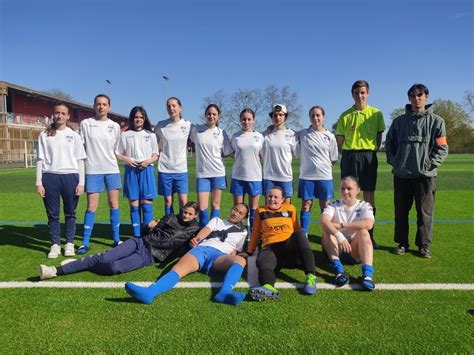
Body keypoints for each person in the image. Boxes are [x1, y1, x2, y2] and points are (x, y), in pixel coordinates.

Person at [124, 203, 249, 305]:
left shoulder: (243, 233)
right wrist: (197, 240)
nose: (235, 213)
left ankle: (225, 293)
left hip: (219, 257)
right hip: (201, 250)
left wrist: (235, 256)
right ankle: (149, 293)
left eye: (240, 213)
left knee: (240, 260)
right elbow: (206, 230)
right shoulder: (217, 220)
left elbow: (235, 250)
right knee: (177, 269)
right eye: (235, 209)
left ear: (243, 218)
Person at [38, 202, 201, 279]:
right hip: (140, 243)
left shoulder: (194, 230)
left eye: (190, 214)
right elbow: (145, 232)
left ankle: (84, 264)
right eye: (185, 212)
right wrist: (150, 226)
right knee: (103, 257)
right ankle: (54, 271)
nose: (186, 216)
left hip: (150, 256)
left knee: (114, 267)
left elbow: (181, 249)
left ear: (196, 216)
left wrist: (190, 246)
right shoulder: (171, 216)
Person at [385, 84, 448, 258]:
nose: (416, 98)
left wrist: (430, 165)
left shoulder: (437, 121)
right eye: (412, 95)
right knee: (401, 212)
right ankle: (402, 243)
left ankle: (423, 246)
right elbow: (389, 144)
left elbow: (442, 148)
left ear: (426, 96)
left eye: (420, 95)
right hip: (402, 175)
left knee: (425, 213)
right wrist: (395, 162)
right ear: (409, 98)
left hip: (425, 177)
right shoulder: (399, 122)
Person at [245, 186, 318, 300]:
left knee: (299, 234)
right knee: (263, 258)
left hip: (289, 248)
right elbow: (255, 233)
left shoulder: (290, 209)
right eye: (269, 196)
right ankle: (268, 287)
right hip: (271, 248)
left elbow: (296, 228)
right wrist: (249, 251)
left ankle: (311, 278)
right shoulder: (261, 211)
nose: (272, 199)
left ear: (282, 199)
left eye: (275, 197)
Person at [335, 80, 385, 248]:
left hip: (368, 156)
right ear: (352, 94)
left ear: (368, 93)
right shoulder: (345, 115)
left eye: (363, 92)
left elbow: (379, 138)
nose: (360, 96)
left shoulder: (376, 114)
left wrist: (369, 151)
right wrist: (349, 154)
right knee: (348, 194)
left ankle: (369, 236)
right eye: (357, 93)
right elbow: (340, 140)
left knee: (369, 195)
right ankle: (347, 235)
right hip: (349, 156)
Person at [36, 103, 87, 258]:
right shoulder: (44, 135)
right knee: (53, 214)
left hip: (71, 177)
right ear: (53, 114)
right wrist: (39, 182)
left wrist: (81, 183)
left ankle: (69, 244)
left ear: (68, 116)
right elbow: (40, 160)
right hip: (49, 177)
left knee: (70, 213)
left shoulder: (75, 136)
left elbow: (80, 161)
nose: (60, 116)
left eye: (63, 113)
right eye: (57, 113)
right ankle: (55, 245)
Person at [78, 94, 122, 254]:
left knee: (114, 204)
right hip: (93, 171)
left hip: (111, 170)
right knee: (91, 206)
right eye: (98, 104)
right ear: (94, 106)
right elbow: (80, 147)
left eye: (104, 104)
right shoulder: (86, 124)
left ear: (109, 107)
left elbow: (117, 149)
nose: (101, 107)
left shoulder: (115, 126)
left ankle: (116, 239)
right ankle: (85, 242)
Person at [320, 176, 375, 291]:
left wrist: (341, 225)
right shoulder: (333, 205)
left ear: (358, 190)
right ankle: (339, 272)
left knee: (364, 232)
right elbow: (324, 221)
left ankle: (367, 276)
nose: (345, 191)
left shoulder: (364, 205)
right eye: (342, 188)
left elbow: (369, 224)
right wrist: (340, 236)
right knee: (327, 231)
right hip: (337, 249)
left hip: (355, 251)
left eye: (349, 188)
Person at [116, 106, 159, 237]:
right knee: (134, 204)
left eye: (141, 117)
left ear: (144, 118)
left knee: (146, 204)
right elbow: (117, 153)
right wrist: (127, 159)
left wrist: (147, 161)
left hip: (147, 171)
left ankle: (147, 235)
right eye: (136, 117)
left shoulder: (150, 135)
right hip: (131, 171)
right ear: (132, 118)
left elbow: (156, 155)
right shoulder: (125, 135)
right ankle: (136, 236)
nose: (138, 119)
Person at [296, 105, 338, 234]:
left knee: (325, 207)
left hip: (324, 176)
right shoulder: (302, 134)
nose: (315, 118)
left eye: (318, 115)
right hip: (307, 176)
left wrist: (321, 165)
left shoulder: (330, 136)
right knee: (305, 205)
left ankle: (326, 233)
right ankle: (304, 234)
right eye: (312, 115)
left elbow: (334, 158)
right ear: (309, 118)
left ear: (323, 117)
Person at [190, 104, 232, 227]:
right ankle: (202, 234)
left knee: (215, 205)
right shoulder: (197, 130)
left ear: (218, 116)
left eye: (214, 114)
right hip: (202, 174)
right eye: (209, 113)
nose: (211, 116)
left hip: (218, 173)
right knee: (202, 207)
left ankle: (214, 232)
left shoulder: (222, 133)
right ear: (205, 115)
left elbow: (228, 152)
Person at [154, 97, 192, 216]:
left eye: (174, 106)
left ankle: (182, 226)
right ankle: (169, 225)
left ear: (180, 108)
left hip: (181, 170)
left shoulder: (188, 125)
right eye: (169, 106)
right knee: (168, 201)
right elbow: (153, 143)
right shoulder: (161, 125)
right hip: (165, 169)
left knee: (183, 201)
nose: (171, 108)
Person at [230, 108, 264, 231]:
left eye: (249, 119)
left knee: (253, 208)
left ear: (253, 120)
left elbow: (263, 155)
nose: (246, 121)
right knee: (238, 208)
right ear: (240, 120)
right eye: (244, 119)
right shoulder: (235, 136)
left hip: (254, 177)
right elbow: (232, 152)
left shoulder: (259, 136)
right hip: (238, 177)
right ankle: (237, 232)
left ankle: (252, 233)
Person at [261, 104, 297, 204]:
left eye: (281, 115)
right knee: (269, 208)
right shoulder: (265, 134)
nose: (278, 117)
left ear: (285, 116)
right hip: (269, 177)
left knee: (286, 208)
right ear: (271, 117)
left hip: (285, 176)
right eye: (275, 115)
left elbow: (298, 153)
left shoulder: (292, 134)